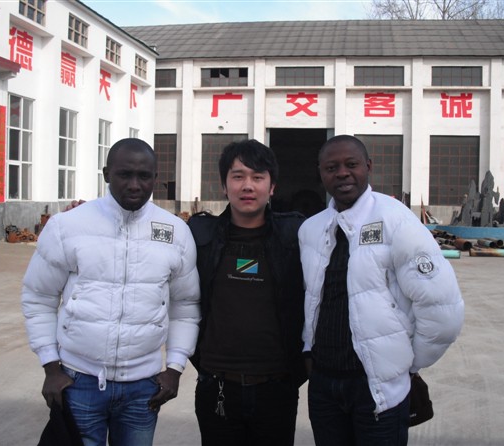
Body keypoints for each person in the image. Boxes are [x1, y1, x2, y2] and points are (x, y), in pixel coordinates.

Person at [21, 138, 201, 446]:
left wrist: (174, 368)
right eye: (124, 174)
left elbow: (185, 306)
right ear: (106, 174)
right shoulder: (68, 226)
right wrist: (51, 366)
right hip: (78, 382)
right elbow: (39, 297)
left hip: (144, 389)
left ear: (155, 178)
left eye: (144, 176)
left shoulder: (176, 233)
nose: (135, 185)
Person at [298, 135, 464, 445]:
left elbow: (442, 311)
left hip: (378, 391)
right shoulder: (311, 229)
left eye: (351, 164)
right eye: (331, 167)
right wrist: (309, 349)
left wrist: (405, 365)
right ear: (320, 173)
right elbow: (311, 300)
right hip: (324, 387)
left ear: (368, 167)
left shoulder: (396, 220)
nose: (342, 173)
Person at [187, 139, 307, 446]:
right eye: (238, 176)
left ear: (272, 186)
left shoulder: (296, 236)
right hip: (217, 385)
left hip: (276, 387)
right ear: (224, 186)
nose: (248, 186)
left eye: (257, 177)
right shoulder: (199, 237)